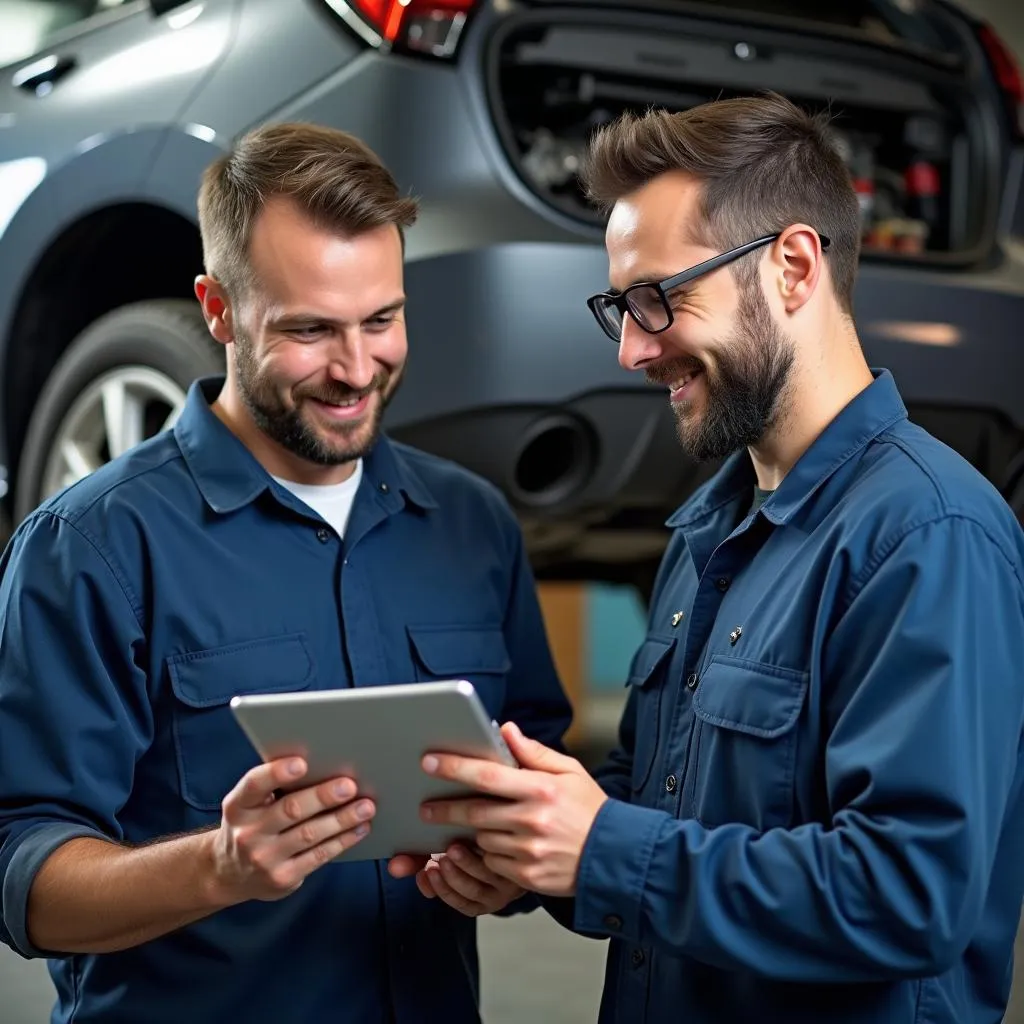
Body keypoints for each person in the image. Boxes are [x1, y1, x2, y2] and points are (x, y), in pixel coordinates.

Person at [409, 93, 1024, 1023]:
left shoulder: (928, 537)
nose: (630, 349)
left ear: (791, 266)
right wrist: (531, 853)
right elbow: (657, 809)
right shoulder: (705, 534)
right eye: (619, 306)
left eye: (658, 298)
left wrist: (604, 848)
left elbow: (910, 897)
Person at [0, 122, 572, 1023]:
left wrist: (504, 868)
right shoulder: (92, 545)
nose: (356, 369)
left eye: (382, 320)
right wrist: (219, 867)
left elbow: (541, 792)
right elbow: (24, 874)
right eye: (309, 330)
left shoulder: (473, 528)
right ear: (218, 309)